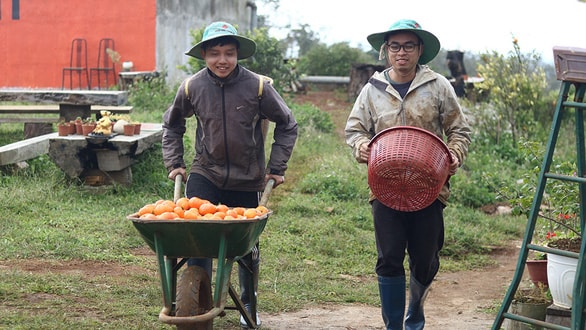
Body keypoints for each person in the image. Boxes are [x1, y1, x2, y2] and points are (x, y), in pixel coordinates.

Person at [162, 21, 298, 328]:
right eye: (214, 53)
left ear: (237, 55)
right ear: (204, 56)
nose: (222, 60)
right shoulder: (192, 87)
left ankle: (247, 302)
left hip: (247, 178)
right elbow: (172, 125)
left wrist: (276, 168)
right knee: (198, 241)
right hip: (204, 173)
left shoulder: (258, 87)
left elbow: (288, 124)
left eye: (229, 53)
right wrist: (175, 163)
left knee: (245, 248)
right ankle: (198, 300)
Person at [344, 19, 471, 330]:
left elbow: (460, 131)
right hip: (385, 186)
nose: (401, 53)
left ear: (420, 50)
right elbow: (355, 129)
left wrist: (454, 155)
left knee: (425, 260)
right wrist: (361, 146)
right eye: (395, 47)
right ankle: (394, 326)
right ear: (386, 51)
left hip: (429, 187)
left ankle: (415, 314)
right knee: (388, 258)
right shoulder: (373, 89)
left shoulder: (438, 86)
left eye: (408, 46)